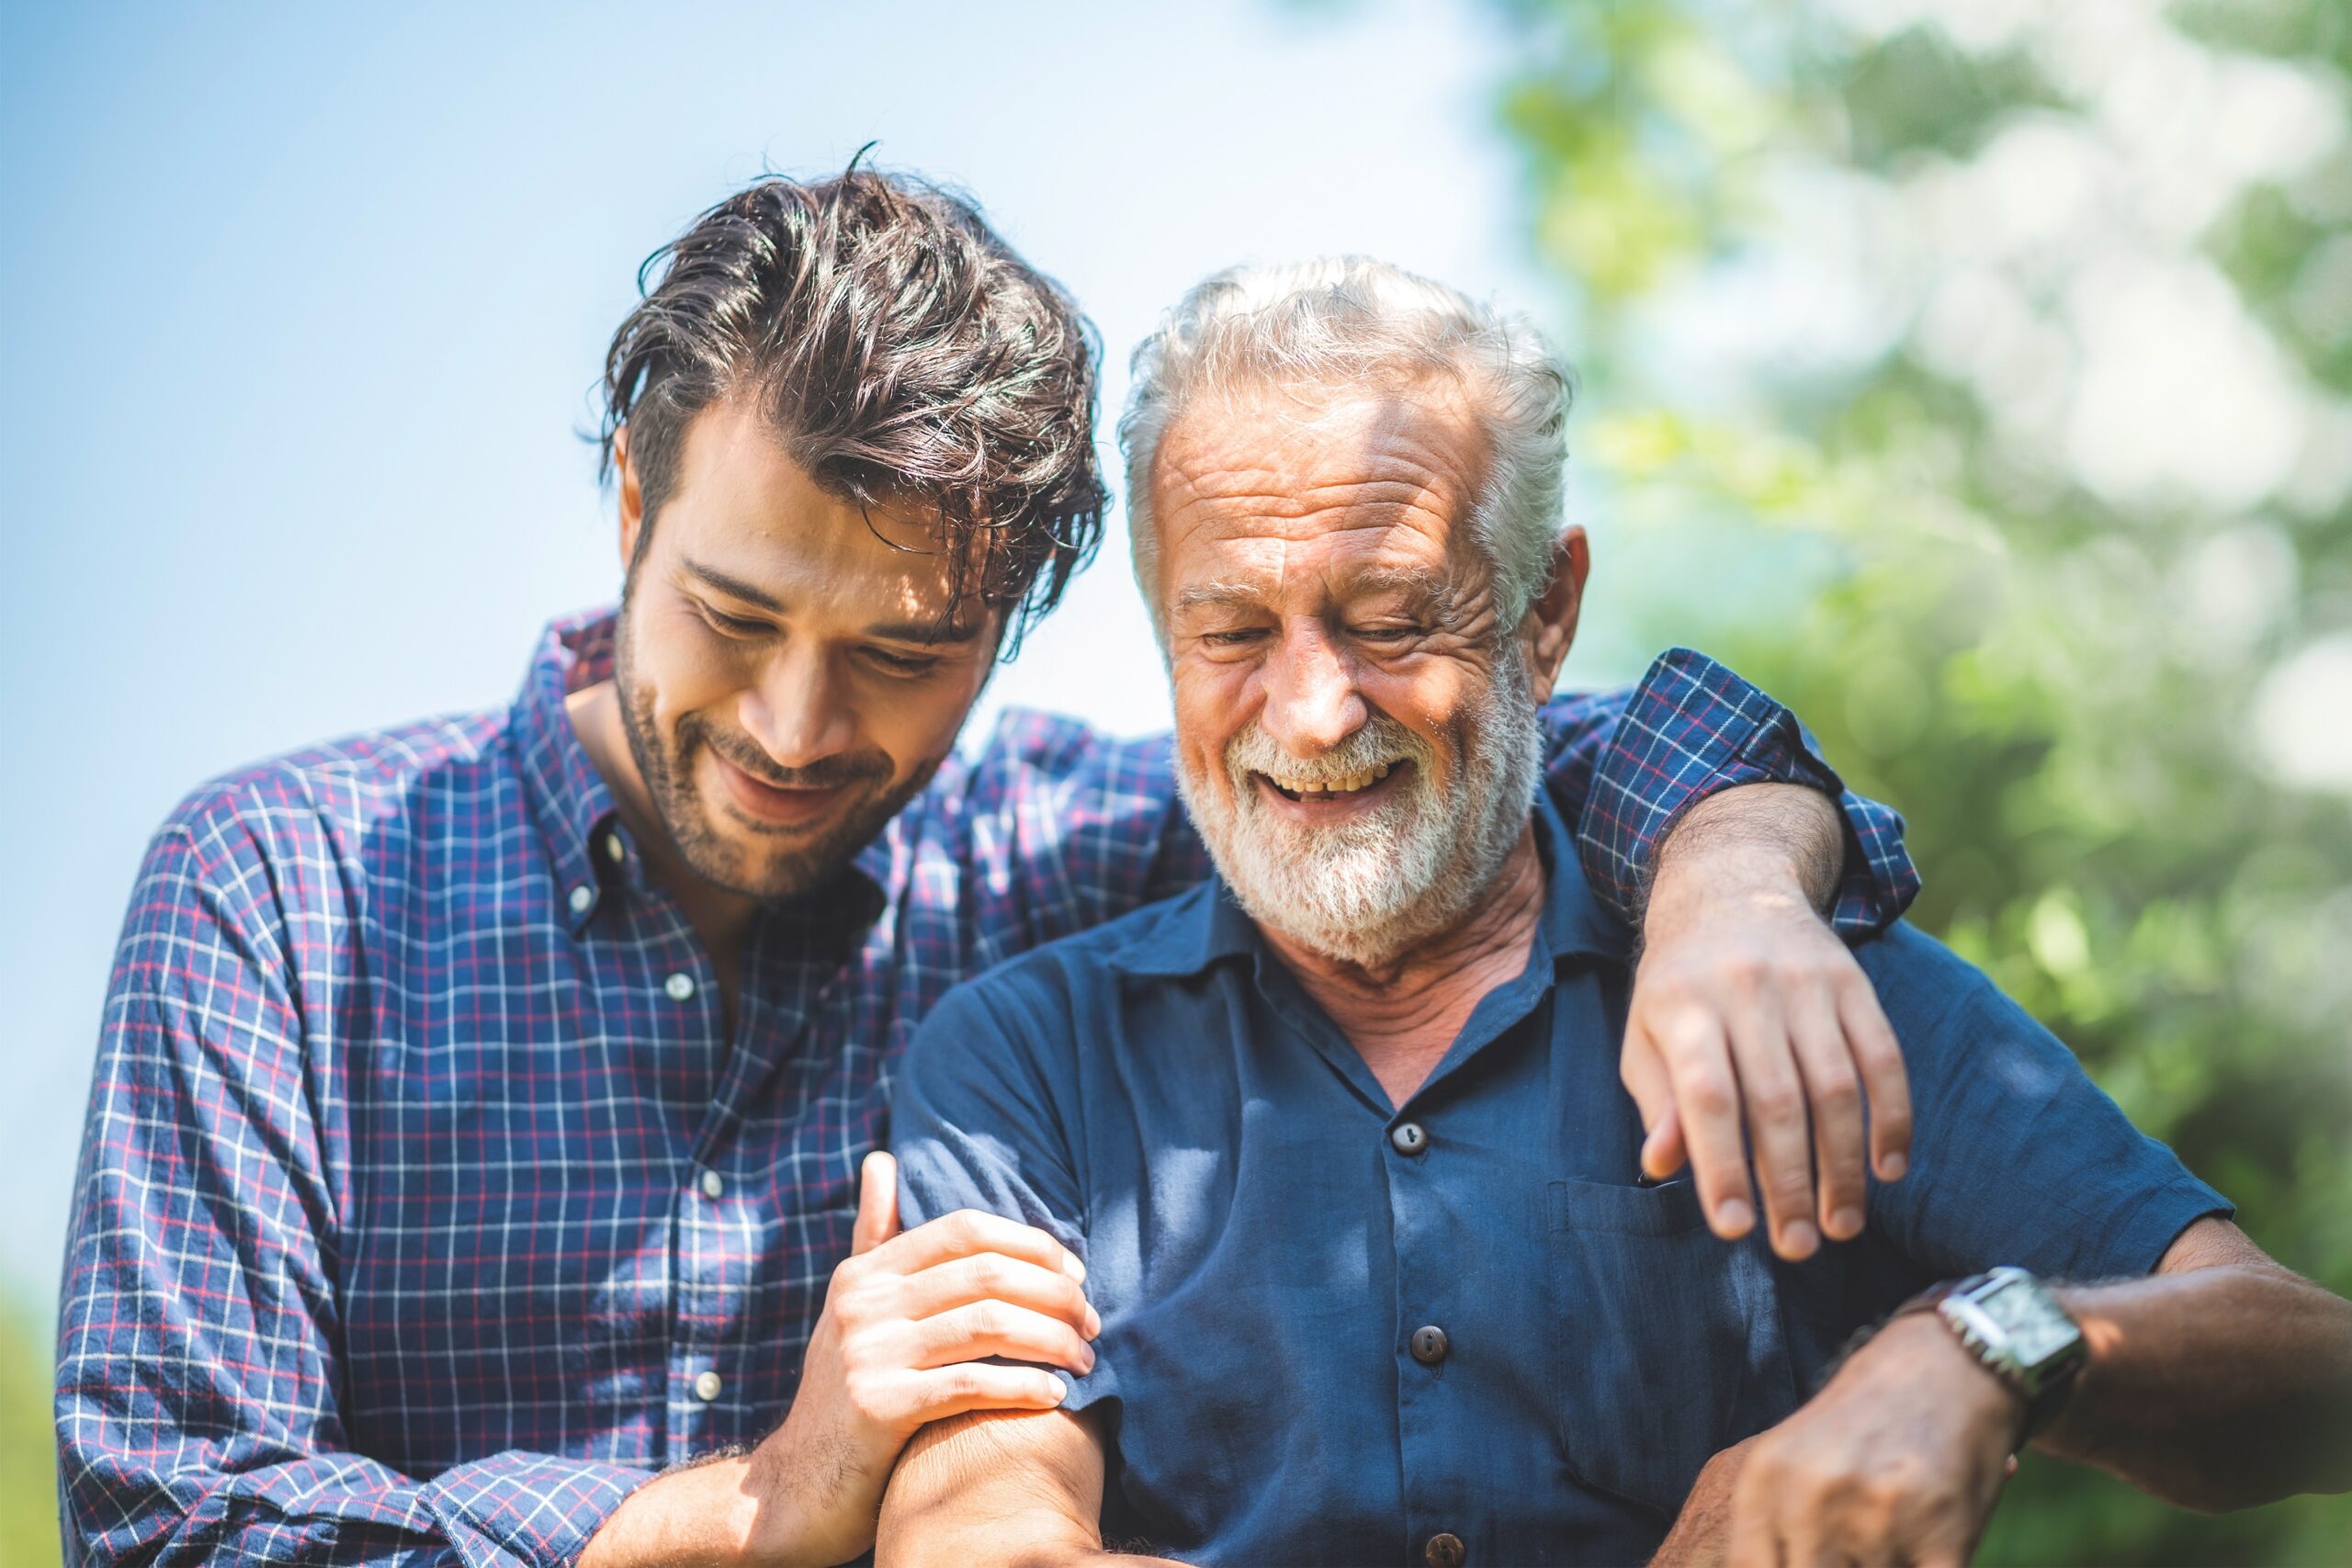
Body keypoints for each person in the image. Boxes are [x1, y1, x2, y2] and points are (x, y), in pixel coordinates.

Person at [54, 172, 1921, 1568]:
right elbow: (161, 1521)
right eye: (729, 614)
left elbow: (1468, 746)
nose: (793, 725)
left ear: (1014, 622)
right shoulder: (276, 893)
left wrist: (1735, 876)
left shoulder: (1066, 850)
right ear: (632, 501)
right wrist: (739, 1504)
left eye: (899, 654)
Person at [878, 256, 2352, 1568]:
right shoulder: (1027, 1057)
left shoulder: (1778, 977)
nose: (1314, 712)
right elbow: (978, 1537)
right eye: (1231, 633)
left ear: (1545, 612)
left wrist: (1977, 1347)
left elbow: (2311, 1370)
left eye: (1391, 618)